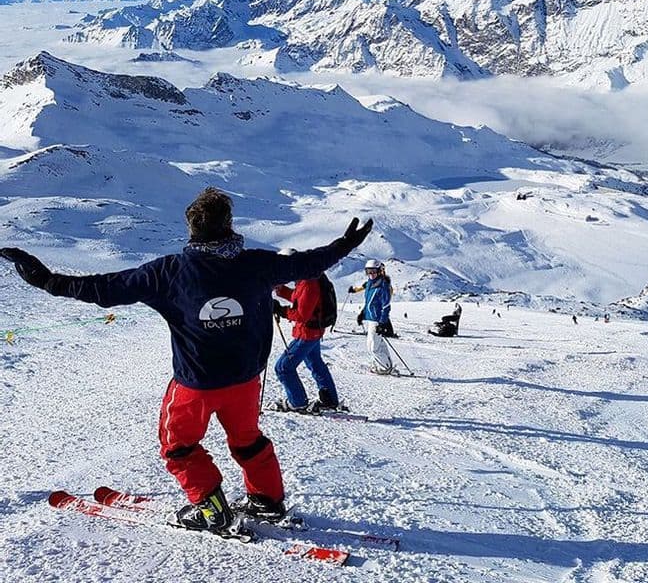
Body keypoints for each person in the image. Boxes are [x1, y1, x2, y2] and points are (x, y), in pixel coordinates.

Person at [0, 187, 372, 535]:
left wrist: (46, 280)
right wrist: (344, 244)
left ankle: (211, 508)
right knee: (248, 440)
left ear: (191, 228)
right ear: (229, 224)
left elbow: (103, 288)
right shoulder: (258, 265)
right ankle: (267, 501)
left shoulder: (168, 273)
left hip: (196, 385)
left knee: (177, 446)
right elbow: (309, 264)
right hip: (245, 381)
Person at [269, 277, 341, 414]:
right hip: (313, 331)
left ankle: (297, 403)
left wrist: (281, 310)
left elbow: (301, 315)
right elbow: (301, 299)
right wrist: (282, 290)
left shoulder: (309, 283)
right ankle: (330, 399)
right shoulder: (307, 279)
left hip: (307, 333)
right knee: (315, 364)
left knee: (283, 367)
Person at [348, 258, 394, 374]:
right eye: (369, 272)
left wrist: (382, 323)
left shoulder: (383, 286)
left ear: (379, 271)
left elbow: (386, 307)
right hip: (370, 319)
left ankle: (384, 368)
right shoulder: (369, 284)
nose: (371, 274)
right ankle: (385, 365)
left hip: (377, 320)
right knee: (373, 345)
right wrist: (362, 314)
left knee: (374, 347)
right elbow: (369, 302)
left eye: (374, 271)